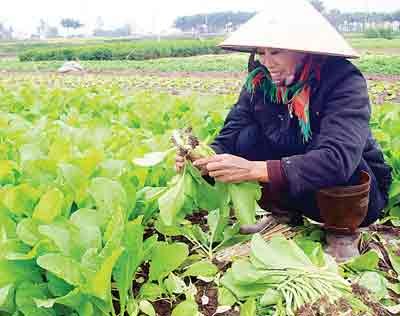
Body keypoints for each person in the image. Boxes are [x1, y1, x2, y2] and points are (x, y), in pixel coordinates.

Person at [176, 0, 392, 260]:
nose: (267, 62)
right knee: (247, 139)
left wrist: (253, 169)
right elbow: (230, 137)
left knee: (335, 157)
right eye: (261, 52)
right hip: (297, 188)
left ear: (305, 51)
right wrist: (202, 159)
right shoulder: (259, 82)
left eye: (276, 52)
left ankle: (342, 233)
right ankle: (283, 215)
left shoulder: (344, 81)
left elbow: (337, 161)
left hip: (353, 196)